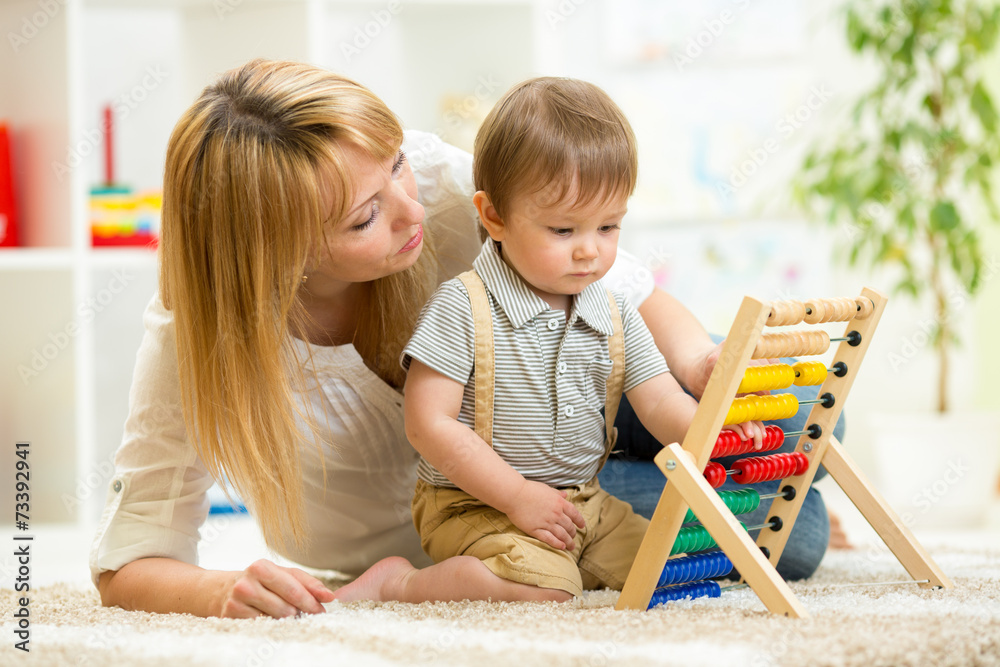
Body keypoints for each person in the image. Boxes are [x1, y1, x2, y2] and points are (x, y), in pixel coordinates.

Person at [92, 59, 841, 619]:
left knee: (803, 396)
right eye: (363, 219)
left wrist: (694, 366)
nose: (408, 210)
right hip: (485, 505)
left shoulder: (440, 187)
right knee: (794, 529)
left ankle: (753, 456)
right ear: (275, 256)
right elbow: (126, 561)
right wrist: (220, 589)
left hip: (578, 397)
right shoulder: (193, 342)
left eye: (395, 168)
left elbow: (635, 295)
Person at [330, 77, 768, 603]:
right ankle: (399, 585)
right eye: (564, 231)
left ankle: (565, 558)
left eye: (608, 227)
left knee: (667, 565)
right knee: (545, 592)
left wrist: (714, 437)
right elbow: (428, 424)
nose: (590, 252)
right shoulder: (463, 306)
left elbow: (659, 398)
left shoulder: (613, 308)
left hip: (585, 502)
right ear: (494, 217)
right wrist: (517, 497)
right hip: (475, 503)